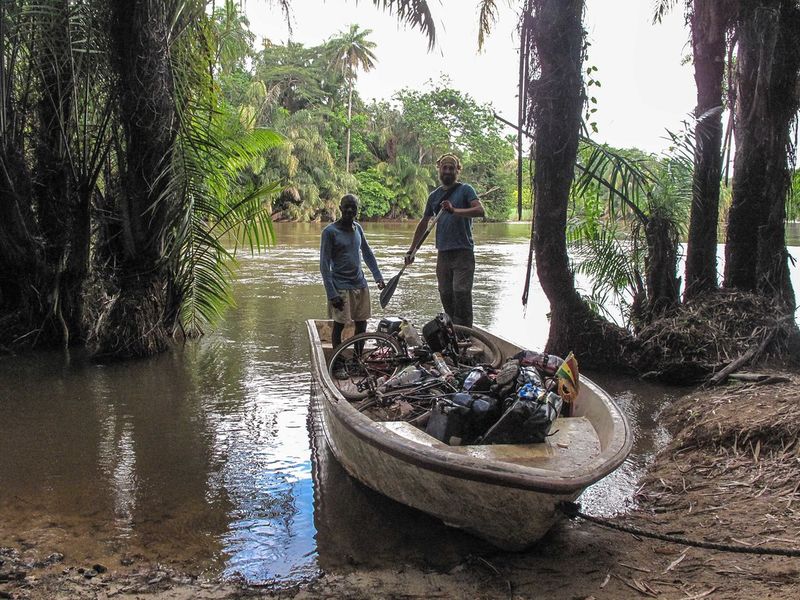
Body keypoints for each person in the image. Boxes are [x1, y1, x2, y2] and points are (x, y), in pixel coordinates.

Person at [405, 153, 484, 328]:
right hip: (443, 253)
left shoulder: (466, 190)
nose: (447, 171)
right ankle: (452, 330)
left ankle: (465, 333)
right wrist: (412, 250)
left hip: (463, 252)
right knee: (445, 293)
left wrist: (454, 210)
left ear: (458, 170)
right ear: (439, 170)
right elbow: (424, 222)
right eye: (444, 168)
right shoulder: (434, 196)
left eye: (451, 168)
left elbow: (480, 211)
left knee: (461, 292)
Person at [320, 194, 385, 349]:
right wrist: (332, 294)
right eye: (347, 207)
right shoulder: (330, 232)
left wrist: (378, 277)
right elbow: (324, 265)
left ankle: (357, 359)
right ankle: (338, 363)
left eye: (353, 207)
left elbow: (367, 253)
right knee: (339, 326)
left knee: (362, 324)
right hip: (340, 286)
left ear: (357, 210)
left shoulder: (358, 228)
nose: (350, 210)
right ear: (340, 208)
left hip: (360, 284)